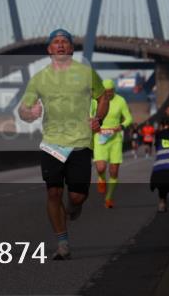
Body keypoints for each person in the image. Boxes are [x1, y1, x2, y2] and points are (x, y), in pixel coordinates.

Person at [18, 29, 108, 260]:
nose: (60, 45)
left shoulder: (87, 73)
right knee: (53, 192)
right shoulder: (39, 78)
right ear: (49, 49)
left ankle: (74, 207)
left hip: (80, 142)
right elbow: (23, 109)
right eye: (55, 42)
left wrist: (98, 119)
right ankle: (62, 243)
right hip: (52, 143)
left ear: (71, 49)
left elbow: (103, 98)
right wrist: (30, 112)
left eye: (64, 42)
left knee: (77, 196)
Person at [91, 79, 133, 209]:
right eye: (106, 92)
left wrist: (121, 126)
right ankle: (101, 178)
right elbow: (89, 116)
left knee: (114, 172)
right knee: (101, 168)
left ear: (114, 90)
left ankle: (109, 198)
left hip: (115, 139)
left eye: (110, 91)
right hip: (100, 138)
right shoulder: (95, 101)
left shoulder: (120, 101)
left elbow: (129, 118)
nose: (108, 94)